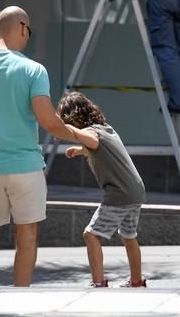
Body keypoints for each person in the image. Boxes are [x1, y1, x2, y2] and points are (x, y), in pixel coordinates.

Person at [0, 5, 75, 287]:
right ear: (23, 28)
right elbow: (47, 119)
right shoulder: (34, 70)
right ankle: (20, 292)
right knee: (27, 235)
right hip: (25, 167)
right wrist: (79, 136)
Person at [57, 91, 147, 288]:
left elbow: (92, 141)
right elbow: (99, 147)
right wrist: (80, 150)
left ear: (74, 117)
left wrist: (67, 128)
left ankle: (98, 282)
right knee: (128, 236)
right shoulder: (107, 129)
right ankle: (137, 280)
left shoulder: (92, 132)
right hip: (136, 191)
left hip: (119, 193)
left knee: (91, 235)